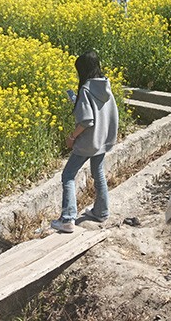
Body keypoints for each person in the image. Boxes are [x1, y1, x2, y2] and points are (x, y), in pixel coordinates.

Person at [52, 51, 119, 234]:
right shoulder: (105, 86)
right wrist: (77, 101)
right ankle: (101, 212)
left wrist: (72, 137)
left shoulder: (86, 89)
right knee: (98, 173)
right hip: (102, 139)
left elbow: (87, 120)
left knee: (68, 175)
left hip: (88, 142)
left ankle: (67, 219)